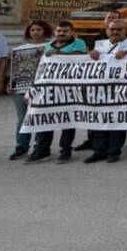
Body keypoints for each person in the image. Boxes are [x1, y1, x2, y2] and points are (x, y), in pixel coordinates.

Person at [86, 21, 127, 163]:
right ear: (107, 30)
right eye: (112, 29)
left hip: (122, 89)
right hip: (101, 88)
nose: (115, 32)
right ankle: (99, 150)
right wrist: (91, 53)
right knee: (99, 120)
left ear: (125, 30)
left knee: (117, 120)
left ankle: (114, 151)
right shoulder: (100, 44)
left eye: (119, 29)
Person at [39, 21, 88, 163]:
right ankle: (42, 149)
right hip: (49, 87)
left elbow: (78, 57)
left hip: (70, 88)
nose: (61, 33)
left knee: (67, 120)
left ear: (72, 32)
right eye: (59, 31)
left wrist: (57, 53)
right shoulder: (48, 45)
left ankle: (65, 151)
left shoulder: (78, 43)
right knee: (45, 119)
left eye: (65, 31)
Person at [7, 20, 51, 160]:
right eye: (32, 30)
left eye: (38, 29)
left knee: (39, 117)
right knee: (22, 118)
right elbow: (15, 68)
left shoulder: (50, 47)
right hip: (21, 88)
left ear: (45, 31)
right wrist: (10, 83)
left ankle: (40, 147)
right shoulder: (20, 48)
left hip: (41, 87)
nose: (35, 32)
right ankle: (21, 147)